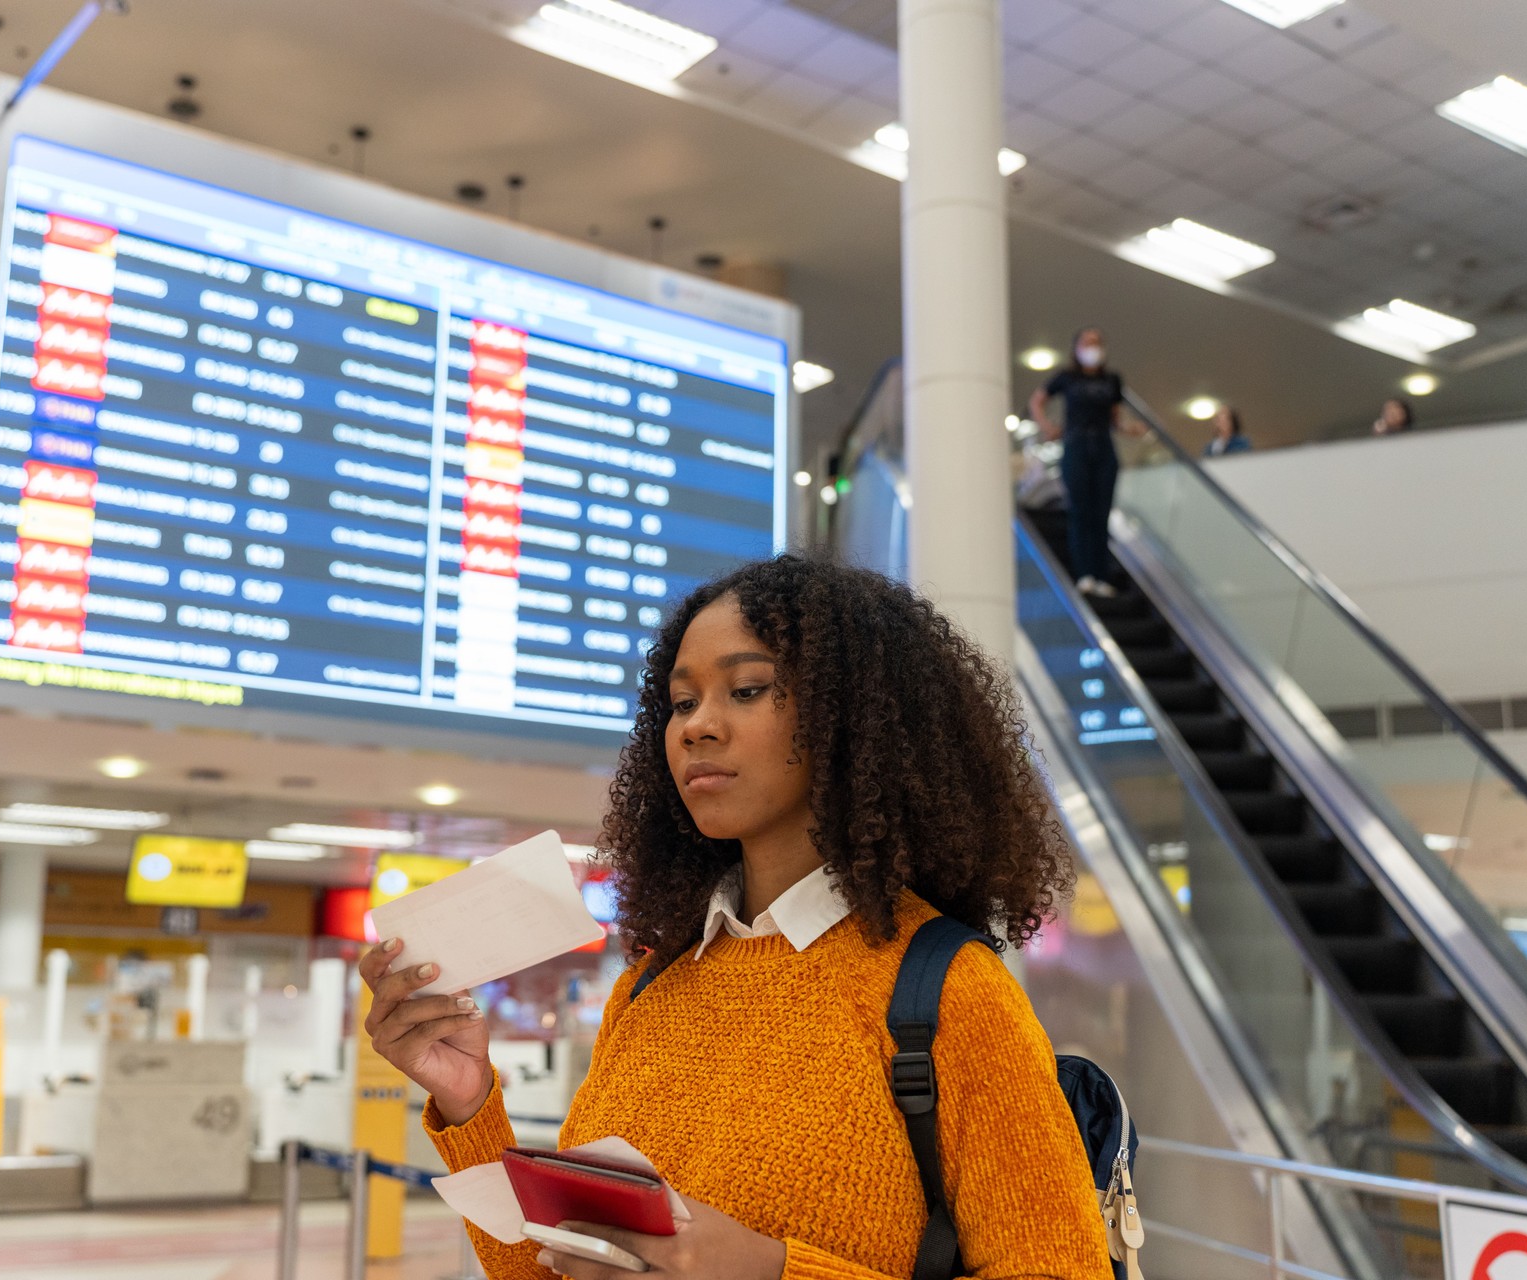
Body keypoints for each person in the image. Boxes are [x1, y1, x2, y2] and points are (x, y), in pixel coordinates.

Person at [360, 557, 1107, 1280]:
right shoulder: (650, 989)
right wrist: (469, 1104)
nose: (697, 727)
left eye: (747, 690)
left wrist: (771, 1271)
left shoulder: (946, 991)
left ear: (850, 720)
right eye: (682, 702)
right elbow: (562, 1271)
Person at [1028, 328, 1143, 599]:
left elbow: (1116, 419)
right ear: (1076, 348)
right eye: (1087, 343)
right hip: (1076, 446)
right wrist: (1047, 427)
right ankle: (1084, 575)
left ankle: (1101, 575)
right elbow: (1037, 401)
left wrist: (1129, 429)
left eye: (1097, 343)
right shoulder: (1067, 378)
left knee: (1101, 512)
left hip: (1103, 447)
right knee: (1080, 511)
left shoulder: (1112, 379)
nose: (1093, 347)